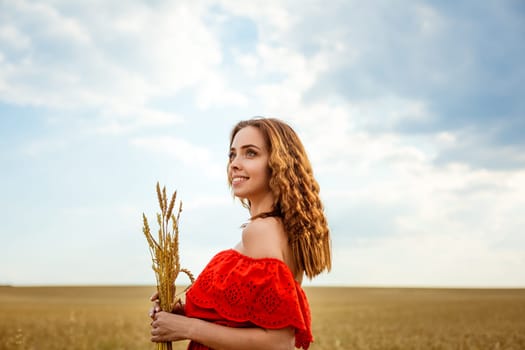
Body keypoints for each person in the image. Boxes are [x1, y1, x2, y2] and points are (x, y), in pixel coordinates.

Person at [149, 117, 331, 350]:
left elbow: (279, 341)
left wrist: (186, 328)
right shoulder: (279, 229)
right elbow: (245, 317)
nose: (234, 163)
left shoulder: (261, 232)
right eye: (232, 154)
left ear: (278, 163)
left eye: (251, 153)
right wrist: (180, 314)